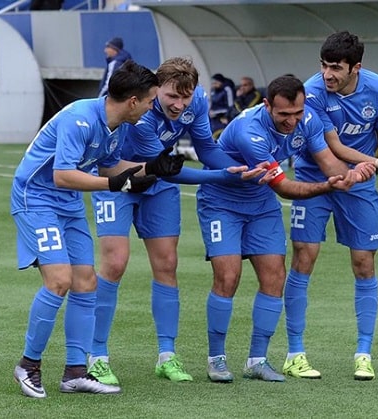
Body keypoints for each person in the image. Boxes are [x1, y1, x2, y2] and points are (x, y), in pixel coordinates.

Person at [88, 56, 269, 386]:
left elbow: (206, 149)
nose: (179, 104)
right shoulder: (142, 116)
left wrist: (238, 168)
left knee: (168, 263)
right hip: (120, 179)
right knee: (115, 262)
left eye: (185, 97)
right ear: (156, 89)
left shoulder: (197, 101)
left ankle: (167, 356)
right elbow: (165, 166)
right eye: (173, 96)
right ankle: (97, 355)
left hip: (158, 184)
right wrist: (223, 178)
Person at [11, 60, 185, 398]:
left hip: (68, 202)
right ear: (133, 101)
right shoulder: (80, 118)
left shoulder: (116, 126)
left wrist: (152, 167)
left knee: (86, 280)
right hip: (37, 198)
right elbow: (63, 175)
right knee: (59, 279)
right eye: (150, 100)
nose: (153, 107)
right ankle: (28, 365)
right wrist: (114, 184)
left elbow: (110, 166)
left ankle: (75, 372)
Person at [197, 75, 378, 383]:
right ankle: (216, 359)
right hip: (222, 201)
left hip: (260, 201)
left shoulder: (307, 118)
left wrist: (349, 177)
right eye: (283, 115)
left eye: (297, 113)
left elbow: (327, 161)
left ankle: (257, 360)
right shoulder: (249, 131)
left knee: (274, 276)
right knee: (228, 276)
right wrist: (327, 186)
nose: (292, 121)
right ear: (267, 106)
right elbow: (286, 188)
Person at [283, 31, 378, 381]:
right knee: (304, 254)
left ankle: (364, 353)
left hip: (360, 184)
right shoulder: (312, 92)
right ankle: (295, 352)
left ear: (356, 67)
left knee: (363, 262)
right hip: (314, 177)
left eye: (336, 68)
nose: (327, 74)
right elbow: (334, 149)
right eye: (324, 65)